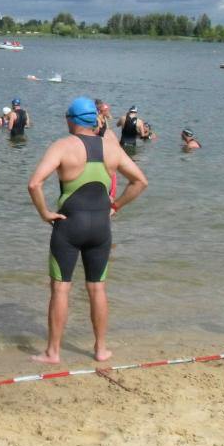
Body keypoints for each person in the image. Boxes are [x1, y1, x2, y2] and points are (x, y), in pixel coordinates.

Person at [27, 97, 148, 365]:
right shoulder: (111, 148)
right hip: (101, 227)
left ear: (70, 120)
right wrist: (115, 206)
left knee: (61, 288)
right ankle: (101, 349)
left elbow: (34, 184)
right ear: (94, 120)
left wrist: (44, 212)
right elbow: (140, 181)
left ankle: (53, 352)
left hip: (69, 225)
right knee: (97, 288)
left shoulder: (62, 146)